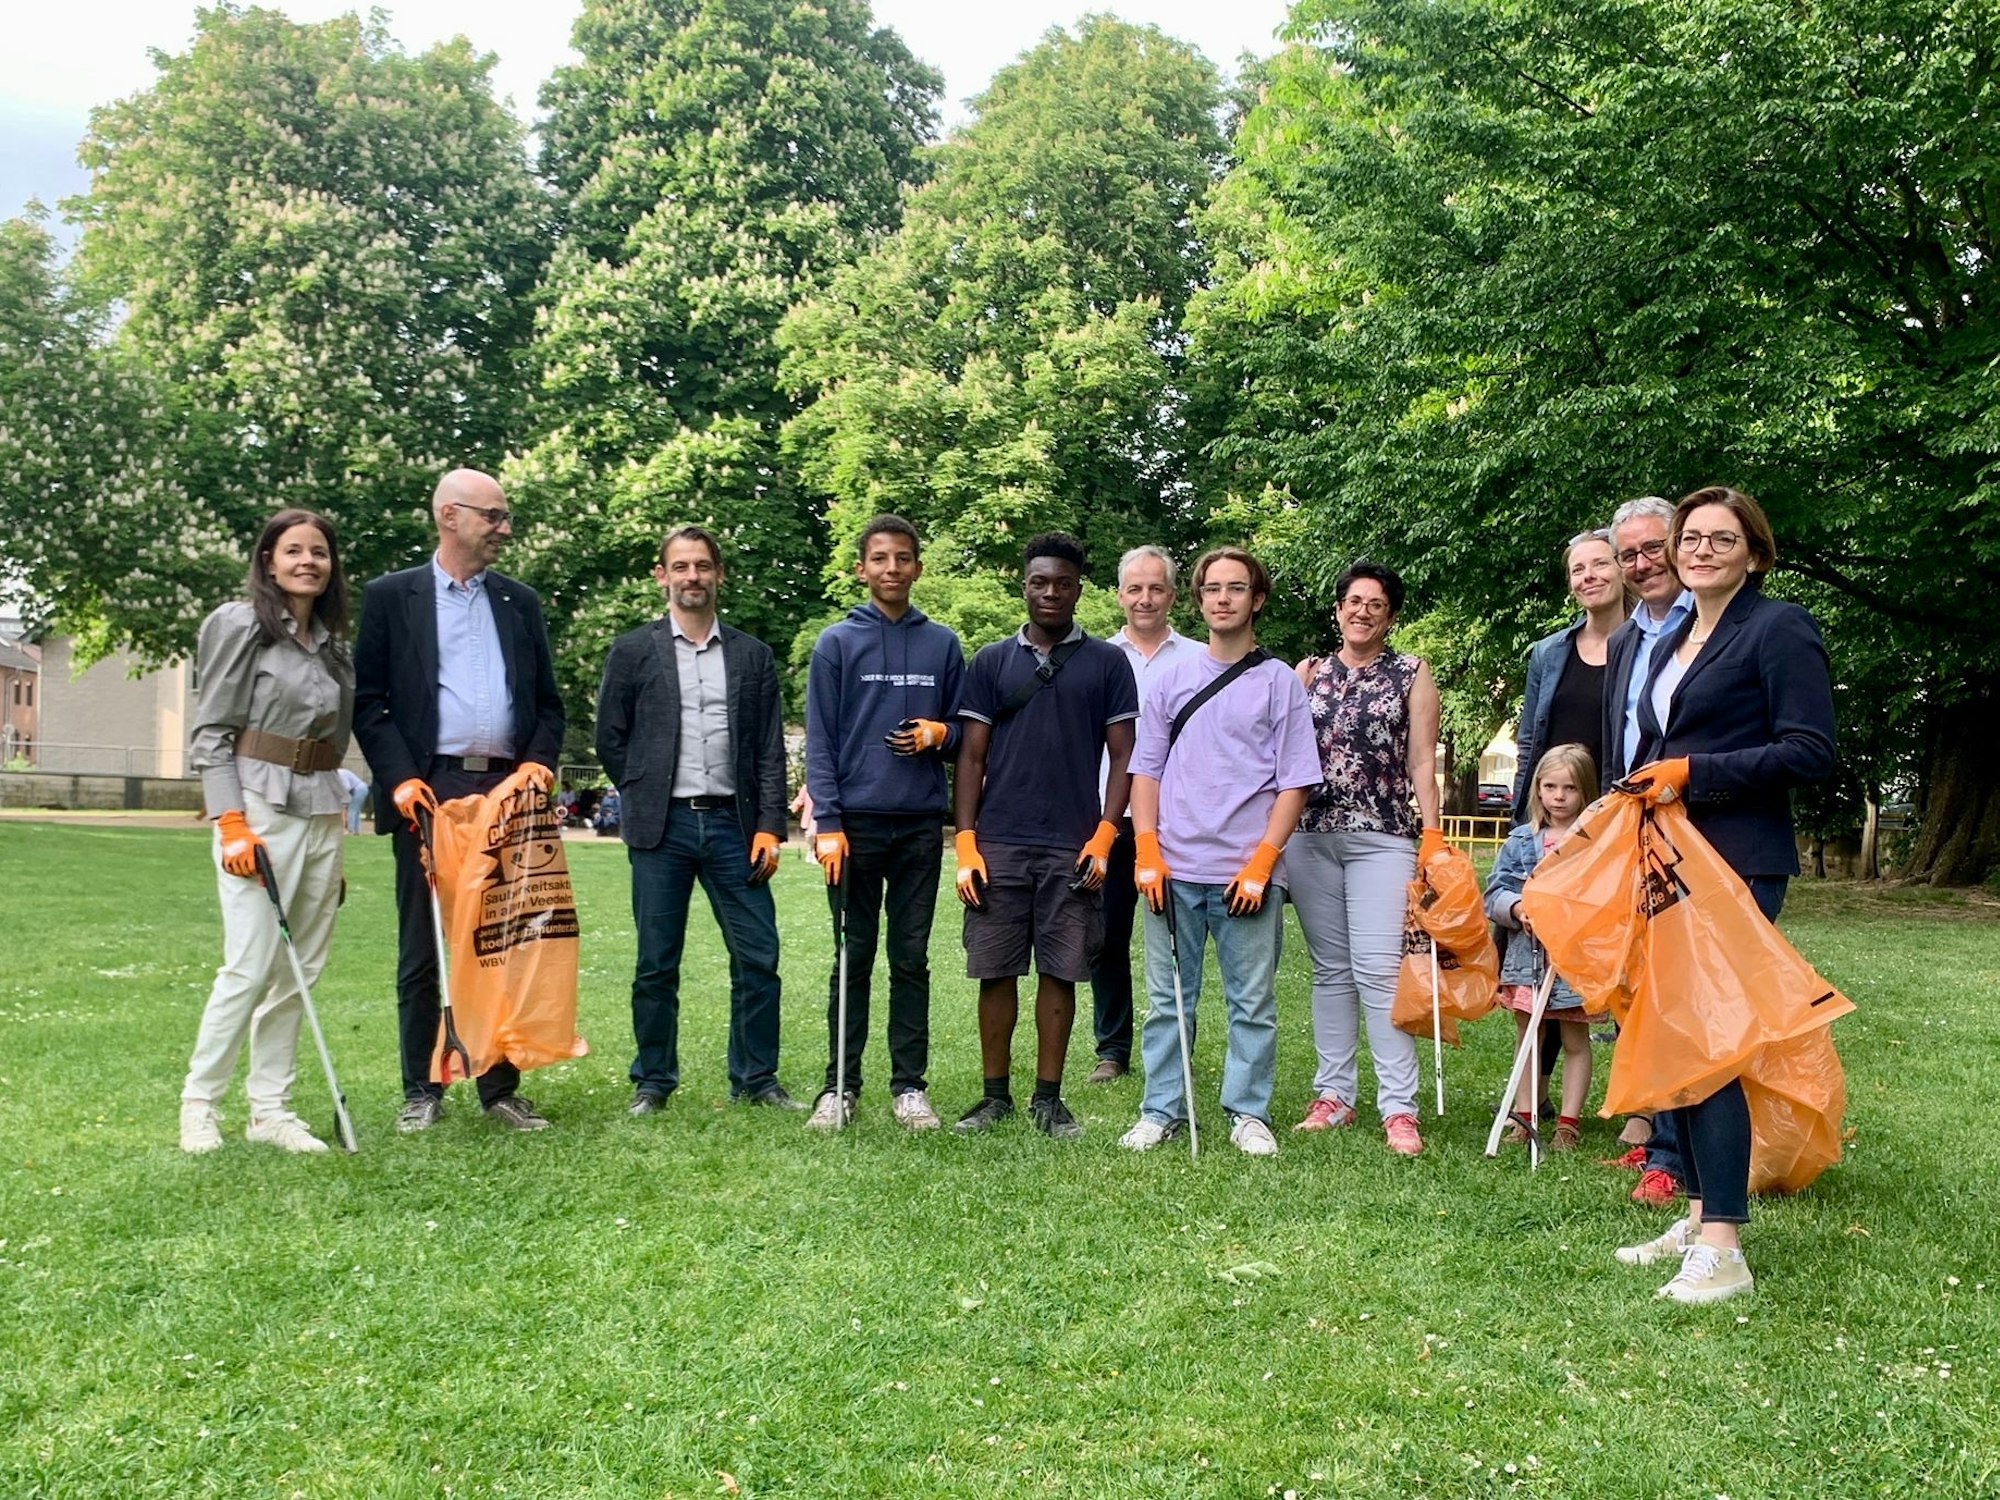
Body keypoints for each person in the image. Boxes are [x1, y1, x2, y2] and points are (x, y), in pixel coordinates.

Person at [1611, 485, 1835, 1304]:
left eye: (1720, 539)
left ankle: (1724, 1249)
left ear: (1754, 551)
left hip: (1737, 861)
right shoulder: (1675, 636)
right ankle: (1701, 1213)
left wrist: (1692, 774)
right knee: (1682, 1044)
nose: (1701, 550)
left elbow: (1810, 750)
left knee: (1708, 1050)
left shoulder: (1776, 627)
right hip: (1671, 859)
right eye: (1691, 538)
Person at [353, 468, 565, 1134]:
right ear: (450, 515)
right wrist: (396, 778)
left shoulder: (519, 602)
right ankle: (422, 1087)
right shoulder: (391, 598)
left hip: (506, 792)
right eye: (494, 517)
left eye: (505, 518)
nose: (505, 529)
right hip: (429, 791)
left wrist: (536, 762)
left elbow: (549, 707)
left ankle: (499, 1088)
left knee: (500, 943)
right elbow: (369, 702)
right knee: (425, 947)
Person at [1118, 547, 1319, 1157]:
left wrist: (1263, 861)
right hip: (1172, 869)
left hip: (1245, 874)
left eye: (1236, 588)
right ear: (1199, 598)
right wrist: (1146, 850)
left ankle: (1247, 1112)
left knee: (1252, 1003)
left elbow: (1296, 781)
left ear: (1256, 599)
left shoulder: (1279, 680)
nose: (1222, 598)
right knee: (1167, 1001)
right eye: (1212, 588)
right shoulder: (1171, 677)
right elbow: (1145, 770)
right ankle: (1161, 1110)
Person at [595, 525, 800, 1115]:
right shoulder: (633, 651)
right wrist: (639, 789)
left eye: (703, 566)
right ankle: (653, 1081)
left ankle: (757, 1078)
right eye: (681, 567)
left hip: (737, 830)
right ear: (663, 576)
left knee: (758, 956)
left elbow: (766, 749)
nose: (692, 577)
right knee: (656, 962)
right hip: (663, 830)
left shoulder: (752, 656)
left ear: (718, 575)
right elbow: (612, 736)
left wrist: (768, 825)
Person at [951, 532, 1138, 1138]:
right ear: (1024, 585)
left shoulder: (1108, 664)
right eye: (1040, 581)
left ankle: (1049, 1099)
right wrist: (966, 842)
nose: (1051, 591)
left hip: (1073, 843)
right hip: (999, 842)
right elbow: (970, 760)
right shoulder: (989, 661)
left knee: (1062, 971)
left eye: (1062, 582)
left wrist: (1106, 835)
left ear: (1079, 588)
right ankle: (994, 1097)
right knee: (995, 969)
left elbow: (1124, 757)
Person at [181, 509, 355, 1154]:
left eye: (319, 552)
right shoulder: (238, 624)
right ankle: (200, 1104)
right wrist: (230, 822)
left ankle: (269, 1110)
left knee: (300, 970)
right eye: (293, 551)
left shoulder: (335, 646)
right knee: (250, 964)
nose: (308, 561)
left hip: (319, 811)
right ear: (269, 561)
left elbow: (332, 742)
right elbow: (212, 733)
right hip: (258, 807)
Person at [801, 515, 964, 1131]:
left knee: (911, 957)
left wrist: (941, 733)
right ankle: (839, 1087)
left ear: (918, 568)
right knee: (854, 954)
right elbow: (821, 741)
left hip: (920, 825)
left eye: (903, 558)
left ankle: (909, 1087)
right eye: (880, 559)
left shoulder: (942, 643)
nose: (892, 568)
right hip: (854, 828)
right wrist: (830, 822)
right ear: (862, 569)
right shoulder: (837, 643)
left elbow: (967, 732)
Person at [1285, 560, 1442, 1155]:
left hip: (1383, 834)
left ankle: (1398, 1107)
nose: (1362, 611)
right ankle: (1334, 1096)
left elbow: (1423, 761)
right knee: (1331, 971)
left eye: (1375, 604)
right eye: (1353, 600)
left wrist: (1432, 834)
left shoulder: (1411, 673)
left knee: (1379, 970)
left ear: (1390, 616)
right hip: (1311, 835)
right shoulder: (1308, 672)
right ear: (1338, 609)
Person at [1603, 495, 1698, 1192]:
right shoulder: (1625, 640)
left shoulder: (1715, 623)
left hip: (1706, 828)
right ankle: (1662, 1137)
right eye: (1628, 553)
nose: (1642, 564)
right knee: (1651, 989)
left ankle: (1676, 1160)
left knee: (1690, 997)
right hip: (1641, 831)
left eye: (1653, 547)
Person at [1085, 544, 1197, 1083]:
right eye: (1135, 588)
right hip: (1105, 820)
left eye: (1156, 588)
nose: (1145, 598)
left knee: (1172, 937)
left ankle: (1175, 1045)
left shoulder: (1199, 660)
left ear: (1173, 596)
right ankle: (1112, 1047)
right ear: (1119, 595)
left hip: (1174, 823)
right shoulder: (1094, 657)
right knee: (1105, 937)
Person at [1485, 743, 1603, 1150]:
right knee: (1528, 1037)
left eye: (1569, 788)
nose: (1558, 796)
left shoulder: (1596, 844)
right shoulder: (1521, 840)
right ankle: (1526, 1115)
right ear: (1537, 789)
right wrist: (1517, 909)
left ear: (1585, 792)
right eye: (1550, 786)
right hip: (1528, 958)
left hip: (1574, 961)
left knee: (1574, 1040)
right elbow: (1495, 891)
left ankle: (1569, 1121)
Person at [1511, 529, 1629, 822]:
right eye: (1578, 569)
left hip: (1618, 815)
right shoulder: (1548, 652)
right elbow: (1529, 744)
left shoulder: (1651, 647)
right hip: (1553, 820)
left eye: (1600, 564)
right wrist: (1520, 821)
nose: (1588, 575)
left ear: (1623, 571)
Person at [337, 766, 369, 835]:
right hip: (362, 788)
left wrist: (342, 799)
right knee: (356, 811)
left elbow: (347, 787)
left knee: (352, 810)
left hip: (358, 789)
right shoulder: (341, 772)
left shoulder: (340, 773)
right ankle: (356, 831)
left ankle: (350, 830)